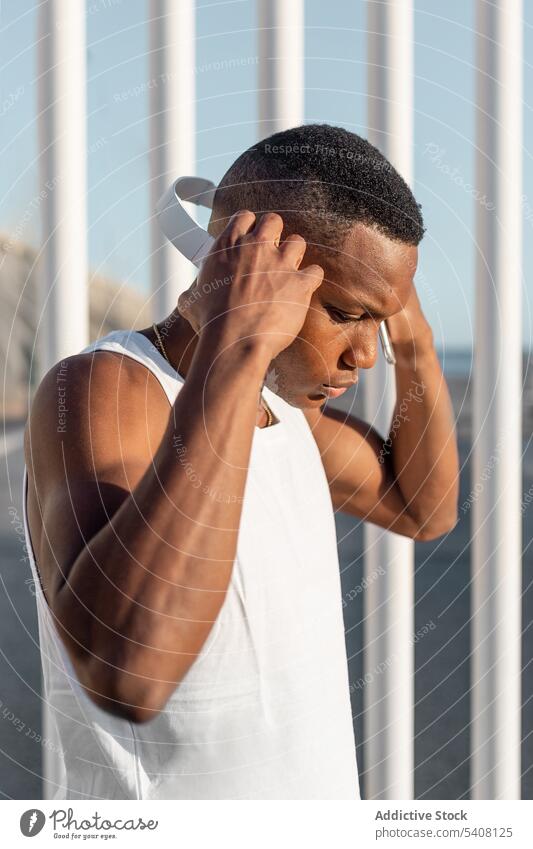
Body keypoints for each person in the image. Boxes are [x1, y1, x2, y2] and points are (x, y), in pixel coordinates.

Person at [23, 123, 459, 800]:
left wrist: (417, 341)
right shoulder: (107, 389)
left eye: (378, 322)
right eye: (346, 313)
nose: (364, 354)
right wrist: (237, 339)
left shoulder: (284, 415)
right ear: (254, 268)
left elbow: (422, 507)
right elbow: (131, 670)